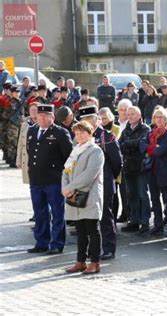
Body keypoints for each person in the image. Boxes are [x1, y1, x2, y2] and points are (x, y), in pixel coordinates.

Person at [26, 104, 73, 254]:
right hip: (36, 179)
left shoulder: (60, 133)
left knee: (57, 213)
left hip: (54, 179)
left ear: (52, 117)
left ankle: (57, 243)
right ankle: (41, 242)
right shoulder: (32, 130)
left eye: (46, 116)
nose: (42, 118)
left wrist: (65, 178)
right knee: (40, 212)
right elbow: (30, 151)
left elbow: (69, 157)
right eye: (40, 116)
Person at [79, 103, 122, 261]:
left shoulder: (107, 137)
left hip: (104, 183)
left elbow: (117, 162)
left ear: (97, 120)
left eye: (90, 119)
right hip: (86, 185)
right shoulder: (82, 138)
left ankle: (109, 249)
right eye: (84, 119)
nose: (87, 122)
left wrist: (109, 178)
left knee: (105, 217)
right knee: (89, 219)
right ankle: (93, 250)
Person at [63, 121, 105, 274]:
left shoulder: (95, 151)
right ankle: (80, 261)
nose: (79, 135)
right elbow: (65, 171)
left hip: (89, 195)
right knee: (80, 230)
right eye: (77, 133)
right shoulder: (76, 150)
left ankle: (95, 262)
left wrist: (70, 187)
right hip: (74, 195)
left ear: (90, 133)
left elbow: (90, 174)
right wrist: (65, 187)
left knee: (92, 230)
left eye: (82, 132)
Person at [140, 107, 167, 237]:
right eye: (156, 117)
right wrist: (154, 148)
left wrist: (152, 149)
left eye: (161, 117)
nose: (159, 119)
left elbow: (162, 151)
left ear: (166, 119)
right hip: (152, 171)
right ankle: (158, 225)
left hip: (165, 171)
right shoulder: (150, 133)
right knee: (155, 200)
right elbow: (142, 146)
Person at [119, 106, 151, 234]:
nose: (130, 116)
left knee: (143, 195)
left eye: (133, 114)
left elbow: (141, 144)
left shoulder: (145, 129)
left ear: (139, 115)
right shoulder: (126, 129)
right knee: (131, 195)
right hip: (128, 166)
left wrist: (128, 144)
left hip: (140, 166)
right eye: (129, 114)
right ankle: (134, 221)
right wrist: (130, 145)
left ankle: (144, 222)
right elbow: (119, 145)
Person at [4, 86, 24, 168]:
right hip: (12, 125)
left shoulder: (20, 102)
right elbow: (4, 114)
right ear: (12, 93)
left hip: (19, 124)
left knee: (19, 142)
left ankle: (17, 159)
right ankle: (11, 160)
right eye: (16, 92)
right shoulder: (8, 102)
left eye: (18, 92)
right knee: (12, 143)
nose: (17, 94)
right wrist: (11, 117)